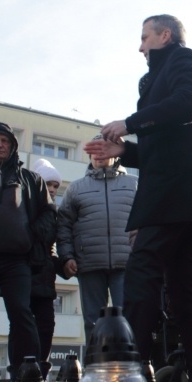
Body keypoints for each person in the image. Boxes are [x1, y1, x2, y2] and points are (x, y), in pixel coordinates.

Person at [84, 14, 192, 382]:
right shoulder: (162, 74)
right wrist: (124, 151)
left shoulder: (183, 59)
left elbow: (187, 105)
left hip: (175, 194)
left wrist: (128, 123)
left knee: (143, 269)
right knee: (183, 289)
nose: (140, 45)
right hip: (177, 191)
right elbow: (166, 145)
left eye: (145, 36)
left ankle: (127, 373)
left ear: (165, 35)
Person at [0, 122, 56, 381]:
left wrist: (33, 235)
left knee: (22, 315)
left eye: (5, 141)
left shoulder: (31, 179)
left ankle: (27, 376)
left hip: (17, 260)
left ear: (12, 147)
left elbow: (49, 213)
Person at [57, 142, 137, 344]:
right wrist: (67, 257)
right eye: (93, 151)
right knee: (93, 322)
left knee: (128, 321)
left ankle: (130, 368)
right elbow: (64, 226)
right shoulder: (76, 188)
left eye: (103, 150)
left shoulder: (134, 184)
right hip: (89, 263)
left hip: (127, 264)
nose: (98, 155)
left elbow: (146, 222)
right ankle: (94, 368)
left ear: (115, 154)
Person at [28, 159, 64, 381]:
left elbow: (49, 249)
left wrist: (64, 265)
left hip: (45, 279)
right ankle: (21, 376)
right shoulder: (23, 207)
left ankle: (39, 377)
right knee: (22, 327)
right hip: (22, 275)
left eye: (55, 186)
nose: (51, 189)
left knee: (46, 326)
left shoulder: (53, 212)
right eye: (47, 184)